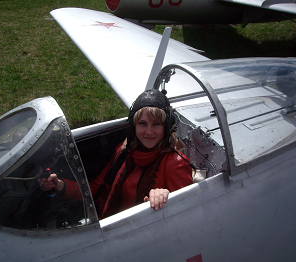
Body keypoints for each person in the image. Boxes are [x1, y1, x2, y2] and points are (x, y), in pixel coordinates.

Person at [39, 89, 193, 219]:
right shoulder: (124, 151)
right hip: (109, 225)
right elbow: (95, 189)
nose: (149, 132)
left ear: (166, 127)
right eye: (142, 124)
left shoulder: (176, 163)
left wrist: (166, 196)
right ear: (133, 126)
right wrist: (59, 185)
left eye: (156, 124)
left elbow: (187, 213)